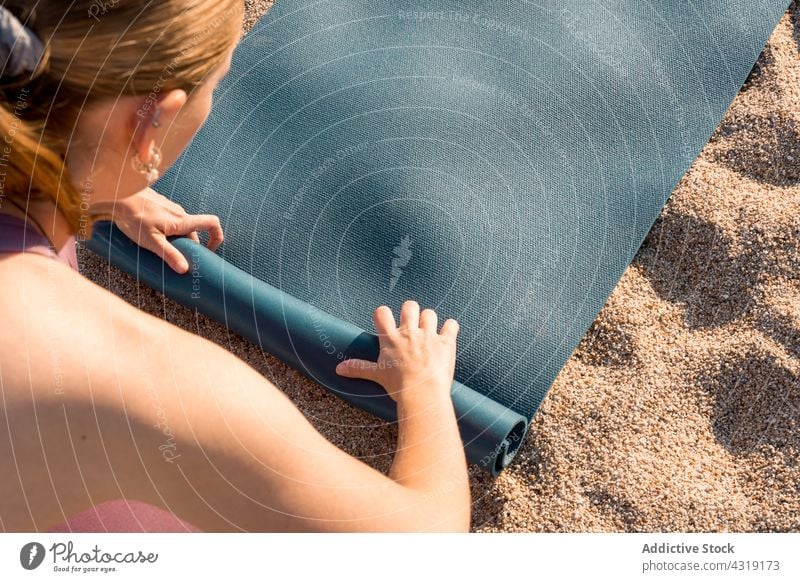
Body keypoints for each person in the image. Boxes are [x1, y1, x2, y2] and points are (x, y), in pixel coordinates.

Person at [0, 1, 469, 532]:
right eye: (216, 84)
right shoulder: (145, 381)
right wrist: (425, 389)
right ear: (155, 121)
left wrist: (104, 187)